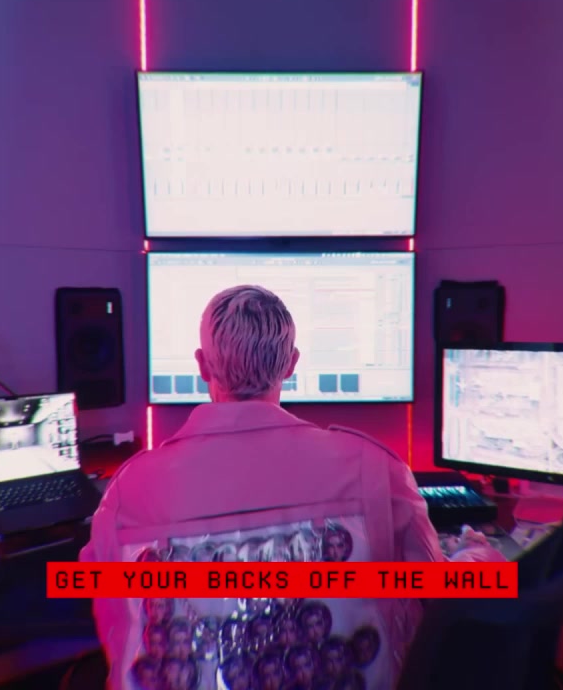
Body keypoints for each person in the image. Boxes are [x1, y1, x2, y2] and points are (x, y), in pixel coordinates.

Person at [81, 285, 504, 690]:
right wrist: (477, 554)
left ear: (202, 366)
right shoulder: (374, 467)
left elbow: (116, 628)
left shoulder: (129, 488)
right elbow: (439, 597)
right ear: (291, 364)